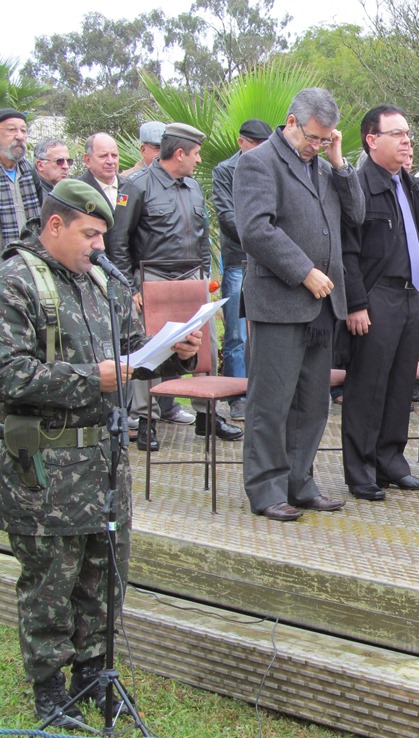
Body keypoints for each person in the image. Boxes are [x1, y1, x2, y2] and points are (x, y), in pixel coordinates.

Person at [0, 179, 200, 727]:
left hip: (104, 463)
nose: (98, 247)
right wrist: (94, 378)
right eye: (89, 234)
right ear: (55, 225)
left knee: (104, 575)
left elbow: (135, 354)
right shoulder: (16, 280)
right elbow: (9, 373)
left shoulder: (100, 282)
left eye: (103, 237)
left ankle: (94, 675)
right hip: (45, 466)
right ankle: (50, 691)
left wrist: (176, 354)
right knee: (50, 582)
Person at [234, 87, 365, 521]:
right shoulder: (258, 163)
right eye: (313, 137)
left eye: (326, 139)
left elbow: (357, 215)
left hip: (323, 307)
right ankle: (267, 489)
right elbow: (255, 230)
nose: (317, 146)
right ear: (291, 122)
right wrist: (303, 270)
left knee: (313, 401)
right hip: (280, 301)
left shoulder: (326, 168)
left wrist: (339, 160)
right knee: (272, 402)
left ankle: (300, 481)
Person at [108, 123, 243, 450]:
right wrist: (132, 287)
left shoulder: (194, 187)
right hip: (151, 278)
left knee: (204, 344)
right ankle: (145, 420)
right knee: (149, 350)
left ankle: (206, 417)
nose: (199, 161)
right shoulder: (136, 186)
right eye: (195, 154)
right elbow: (117, 242)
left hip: (190, 278)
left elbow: (200, 234)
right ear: (179, 153)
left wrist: (202, 276)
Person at [340, 105, 419, 502]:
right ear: (371, 140)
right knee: (368, 386)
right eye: (396, 134)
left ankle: (391, 461)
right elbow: (347, 251)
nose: (406, 142)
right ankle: (361, 471)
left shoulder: (411, 185)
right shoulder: (360, 185)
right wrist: (356, 303)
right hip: (375, 295)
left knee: (401, 384)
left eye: (408, 134)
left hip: (409, 297)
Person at [212, 118, 272, 421]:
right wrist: (261, 240)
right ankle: (238, 396)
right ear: (241, 142)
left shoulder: (274, 166)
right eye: (256, 144)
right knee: (236, 334)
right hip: (239, 260)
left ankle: (262, 394)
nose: (262, 150)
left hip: (269, 262)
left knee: (265, 332)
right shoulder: (225, 170)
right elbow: (226, 215)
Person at [0, 109, 43, 249]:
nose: (19, 136)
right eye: (12, 129)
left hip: (29, 256)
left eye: (23, 131)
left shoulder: (29, 171)